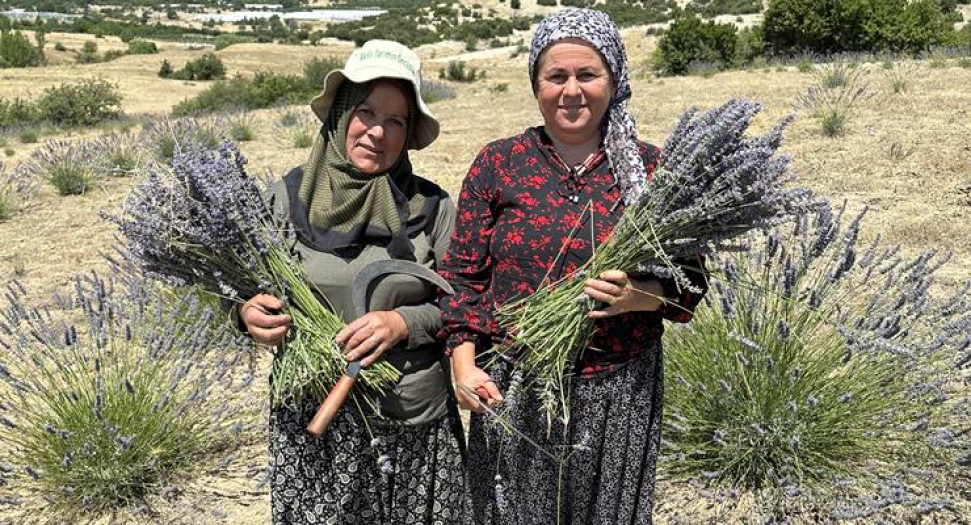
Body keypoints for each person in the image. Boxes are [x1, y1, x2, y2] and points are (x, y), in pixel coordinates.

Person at [439, 9, 708, 524]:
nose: (571, 91)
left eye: (588, 75)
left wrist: (640, 294)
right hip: (515, 385)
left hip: (620, 391)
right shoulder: (499, 163)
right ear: (535, 84)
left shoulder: (650, 169)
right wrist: (464, 363)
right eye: (555, 76)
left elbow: (691, 279)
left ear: (615, 79)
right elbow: (462, 277)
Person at [234, 40, 464, 524]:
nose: (378, 132)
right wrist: (244, 313)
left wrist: (405, 323)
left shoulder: (432, 207)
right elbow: (240, 286)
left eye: (396, 121)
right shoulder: (284, 200)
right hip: (313, 417)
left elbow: (468, 304)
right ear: (340, 115)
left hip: (413, 424)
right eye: (365, 112)